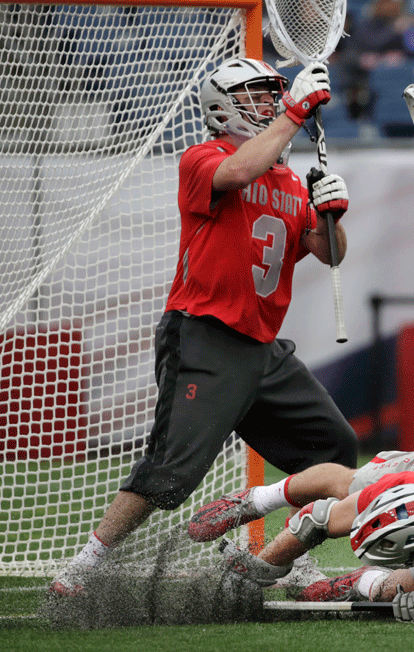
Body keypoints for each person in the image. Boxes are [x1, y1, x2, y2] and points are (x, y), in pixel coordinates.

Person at [48, 58, 359, 597]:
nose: (269, 104)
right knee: (171, 472)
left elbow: (328, 254)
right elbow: (237, 173)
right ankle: (83, 567)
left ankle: (290, 557)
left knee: (332, 448)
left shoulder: (285, 177)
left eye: (274, 95)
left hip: (263, 348)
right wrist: (294, 112)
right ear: (222, 106)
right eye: (258, 96)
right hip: (206, 335)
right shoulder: (204, 158)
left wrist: (332, 212)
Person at [187, 433, 414, 620]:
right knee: (351, 482)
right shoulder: (403, 486)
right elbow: (315, 519)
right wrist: (264, 567)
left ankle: (358, 584)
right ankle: (257, 498)